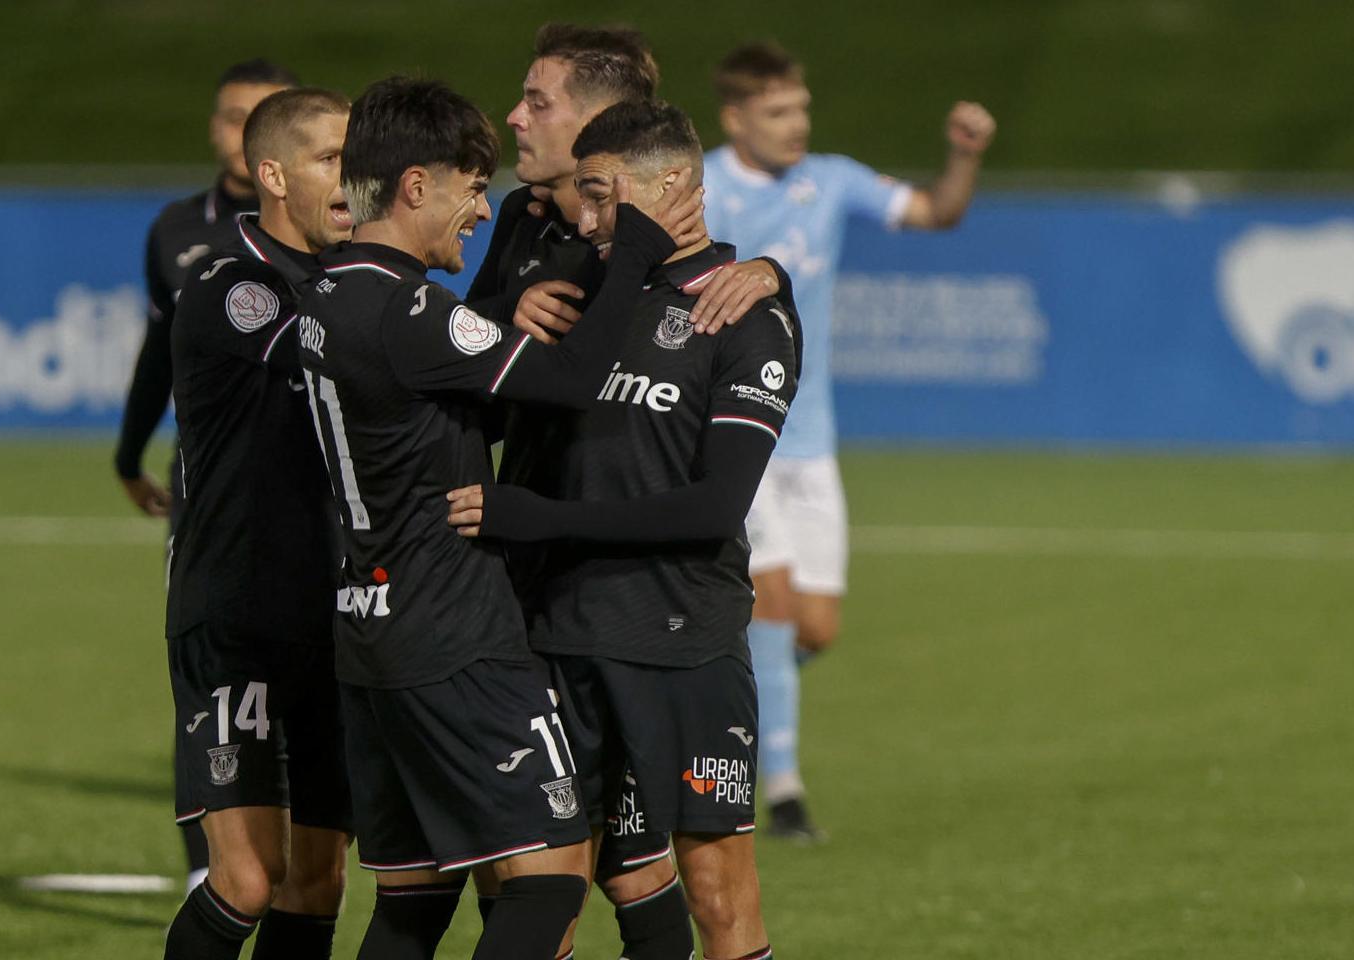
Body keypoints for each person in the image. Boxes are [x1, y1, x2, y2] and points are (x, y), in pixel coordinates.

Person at [297, 76, 699, 960]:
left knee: (410, 902)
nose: (480, 212)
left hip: (368, 632)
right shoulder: (407, 312)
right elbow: (571, 380)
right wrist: (631, 252)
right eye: (468, 189)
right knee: (553, 877)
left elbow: (443, 385)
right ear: (415, 187)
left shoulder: (325, 297)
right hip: (456, 631)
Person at [446, 98, 799, 960]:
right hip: (553, 639)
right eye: (583, 197)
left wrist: (542, 520)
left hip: (681, 641)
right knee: (540, 898)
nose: (589, 218)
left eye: (603, 196)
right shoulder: (578, 295)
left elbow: (717, 505)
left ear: (674, 185)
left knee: (716, 897)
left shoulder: (746, 315)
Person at [703, 41, 997, 840]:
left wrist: (961, 157)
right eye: (777, 113)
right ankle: (786, 792)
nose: (797, 125)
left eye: (801, 108)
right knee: (774, 604)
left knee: (815, 628)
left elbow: (937, 212)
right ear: (736, 118)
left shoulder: (828, 182)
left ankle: (710, 687)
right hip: (733, 433)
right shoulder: (699, 187)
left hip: (812, 436)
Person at [160, 87, 354, 960]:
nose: (353, 180)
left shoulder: (354, 281)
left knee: (320, 880)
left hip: (335, 617)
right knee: (242, 880)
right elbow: (342, 347)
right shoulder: (230, 284)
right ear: (272, 174)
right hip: (236, 617)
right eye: (330, 160)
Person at [109, 57, 297, 891]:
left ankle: (304, 860)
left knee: (310, 687)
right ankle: (206, 874)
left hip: (308, 487)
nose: (239, 132)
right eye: (229, 116)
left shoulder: (326, 222)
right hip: (209, 489)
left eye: (259, 117)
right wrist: (128, 452)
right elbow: (161, 351)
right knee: (209, 681)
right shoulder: (177, 229)